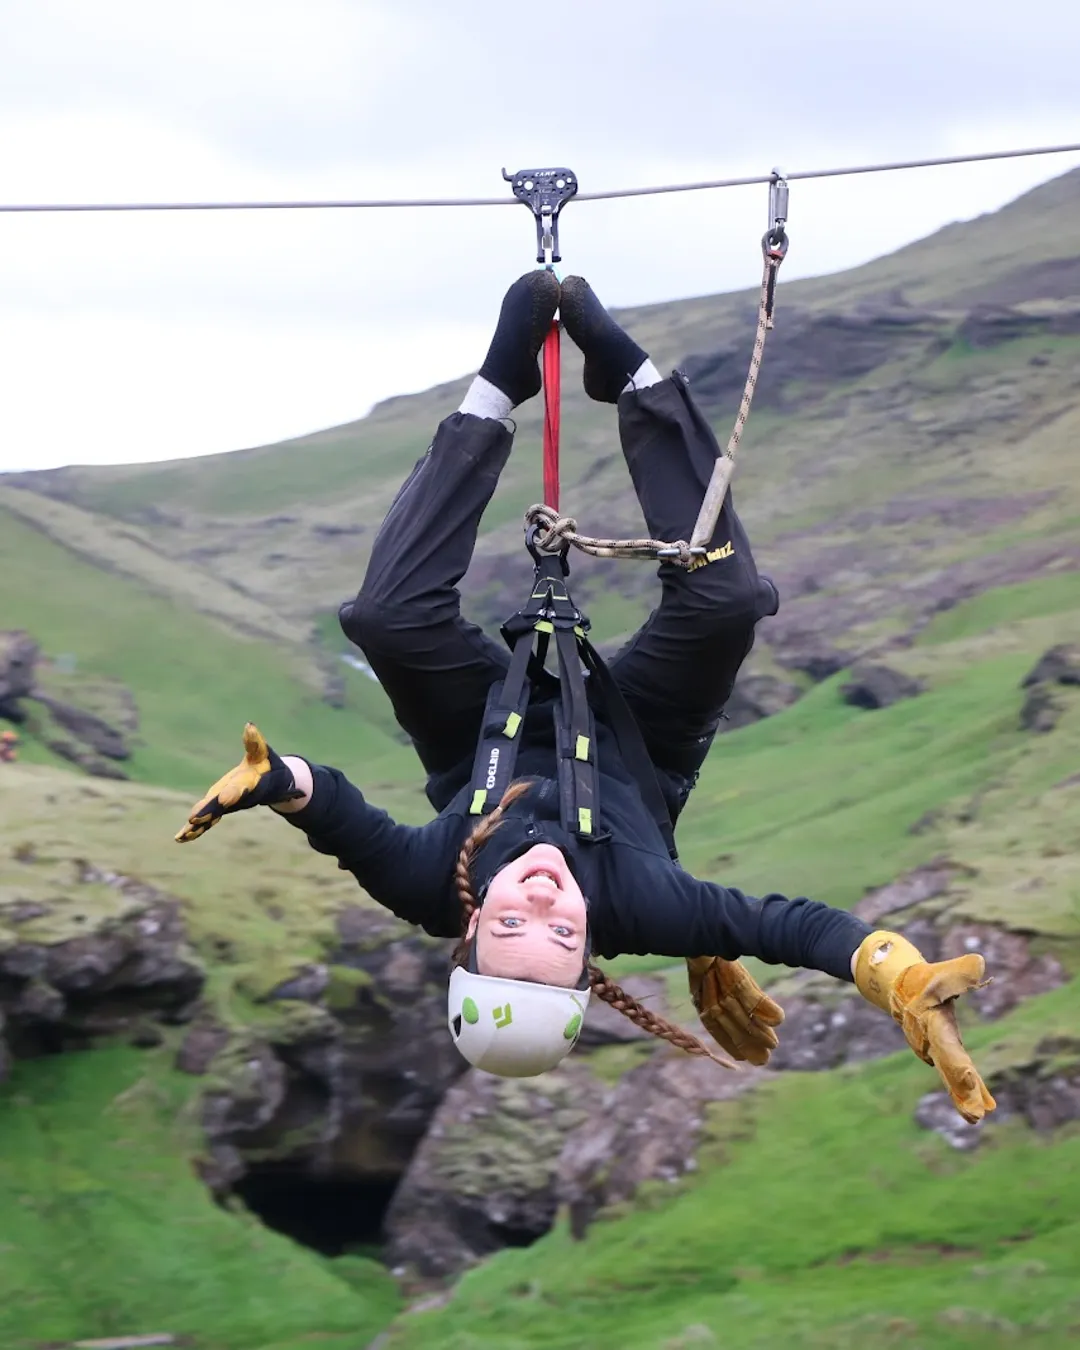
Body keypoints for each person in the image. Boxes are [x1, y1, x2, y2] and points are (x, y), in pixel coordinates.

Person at [176, 272, 995, 1124]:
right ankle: (638, 385)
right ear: (592, 948)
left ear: (469, 928)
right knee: (728, 604)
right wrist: (892, 974)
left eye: (512, 930)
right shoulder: (643, 903)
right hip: (636, 743)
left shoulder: (427, 884)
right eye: (564, 936)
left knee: (385, 619)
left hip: (482, 733)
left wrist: (275, 781)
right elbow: (787, 927)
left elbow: (340, 816)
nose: (541, 903)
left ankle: (495, 393)